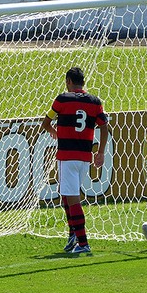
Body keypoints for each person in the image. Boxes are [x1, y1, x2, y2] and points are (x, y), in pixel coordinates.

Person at [41, 67, 109, 254]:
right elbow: (104, 127)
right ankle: (73, 233)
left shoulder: (62, 99)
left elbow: (46, 122)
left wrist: (54, 132)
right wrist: (100, 152)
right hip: (84, 158)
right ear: (83, 82)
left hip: (67, 156)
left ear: (69, 81)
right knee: (67, 194)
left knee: (72, 199)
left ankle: (83, 242)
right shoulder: (95, 102)